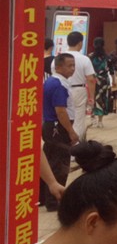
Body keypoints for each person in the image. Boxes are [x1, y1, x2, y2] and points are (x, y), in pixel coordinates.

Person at [41, 53, 79, 211]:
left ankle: (43, 198)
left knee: (48, 162)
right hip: (58, 128)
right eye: (69, 66)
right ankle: (54, 200)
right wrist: (71, 131)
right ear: (58, 67)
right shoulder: (59, 84)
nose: (72, 69)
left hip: (50, 126)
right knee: (59, 164)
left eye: (73, 65)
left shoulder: (51, 81)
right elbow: (61, 111)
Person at [66, 31, 96, 143]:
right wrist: (91, 97)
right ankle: (76, 145)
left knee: (64, 117)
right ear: (80, 43)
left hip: (63, 89)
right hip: (78, 89)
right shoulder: (84, 59)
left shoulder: (58, 58)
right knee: (78, 119)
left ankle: (65, 142)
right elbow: (91, 79)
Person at [88, 37, 113, 129]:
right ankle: (100, 121)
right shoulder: (107, 57)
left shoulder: (90, 57)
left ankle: (92, 118)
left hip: (93, 79)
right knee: (102, 98)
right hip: (104, 81)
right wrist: (114, 81)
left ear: (93, 45)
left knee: (92, 97)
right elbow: (112, 70)